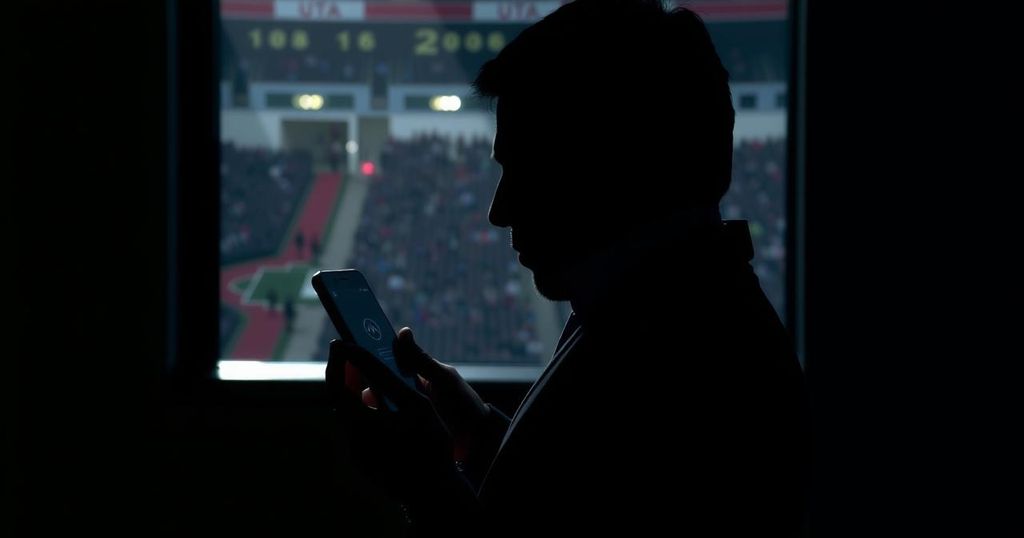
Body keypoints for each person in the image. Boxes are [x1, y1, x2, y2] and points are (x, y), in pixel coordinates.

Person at [326, 1, 807, 536]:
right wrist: (482, 434)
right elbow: (573, 503)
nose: (498, 210)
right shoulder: (676, 310)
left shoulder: (672, 351)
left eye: (524, 171)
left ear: (606, 166)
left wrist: (424, 481)